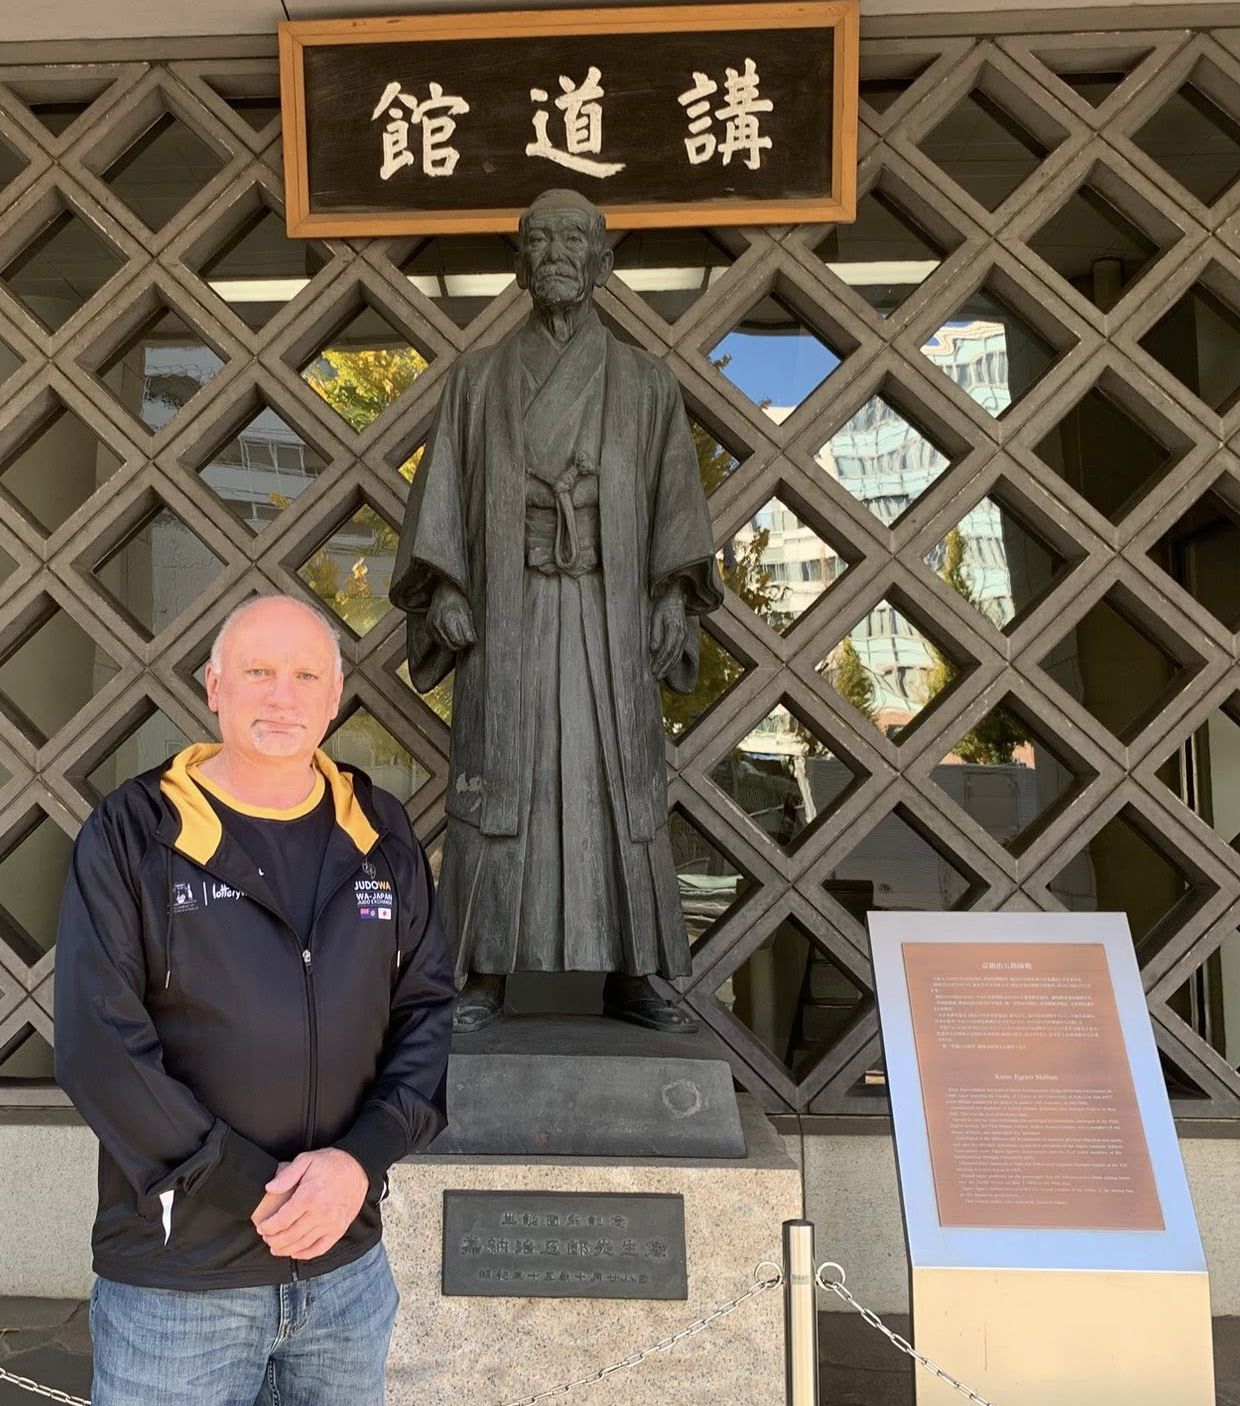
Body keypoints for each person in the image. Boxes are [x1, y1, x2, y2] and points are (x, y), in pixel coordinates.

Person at [53, 593, 455, 1406]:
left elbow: (427, 1010)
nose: (282, 695)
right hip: (180, 1288)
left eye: (305, 675)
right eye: (258, 672)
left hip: (345, 1278)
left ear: (334, 696)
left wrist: (358, 1161)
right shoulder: (135, 833)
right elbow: (101, 1051)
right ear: (213, 686)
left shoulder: (379, 829)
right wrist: (258, 1192)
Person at [391, 188, 724, 1035]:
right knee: (506, 777)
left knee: (617, 783)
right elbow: (442, 502)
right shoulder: (476, 380)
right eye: (537, 238)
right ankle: (485, 969)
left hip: (609, 615)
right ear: (517, 265)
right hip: (510, 613)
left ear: (604, 260)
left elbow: (674, 500)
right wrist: (450, 590)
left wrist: (670, 594)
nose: (555, 251)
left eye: (574, 237)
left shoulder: (646, 383)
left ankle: (634, 968)